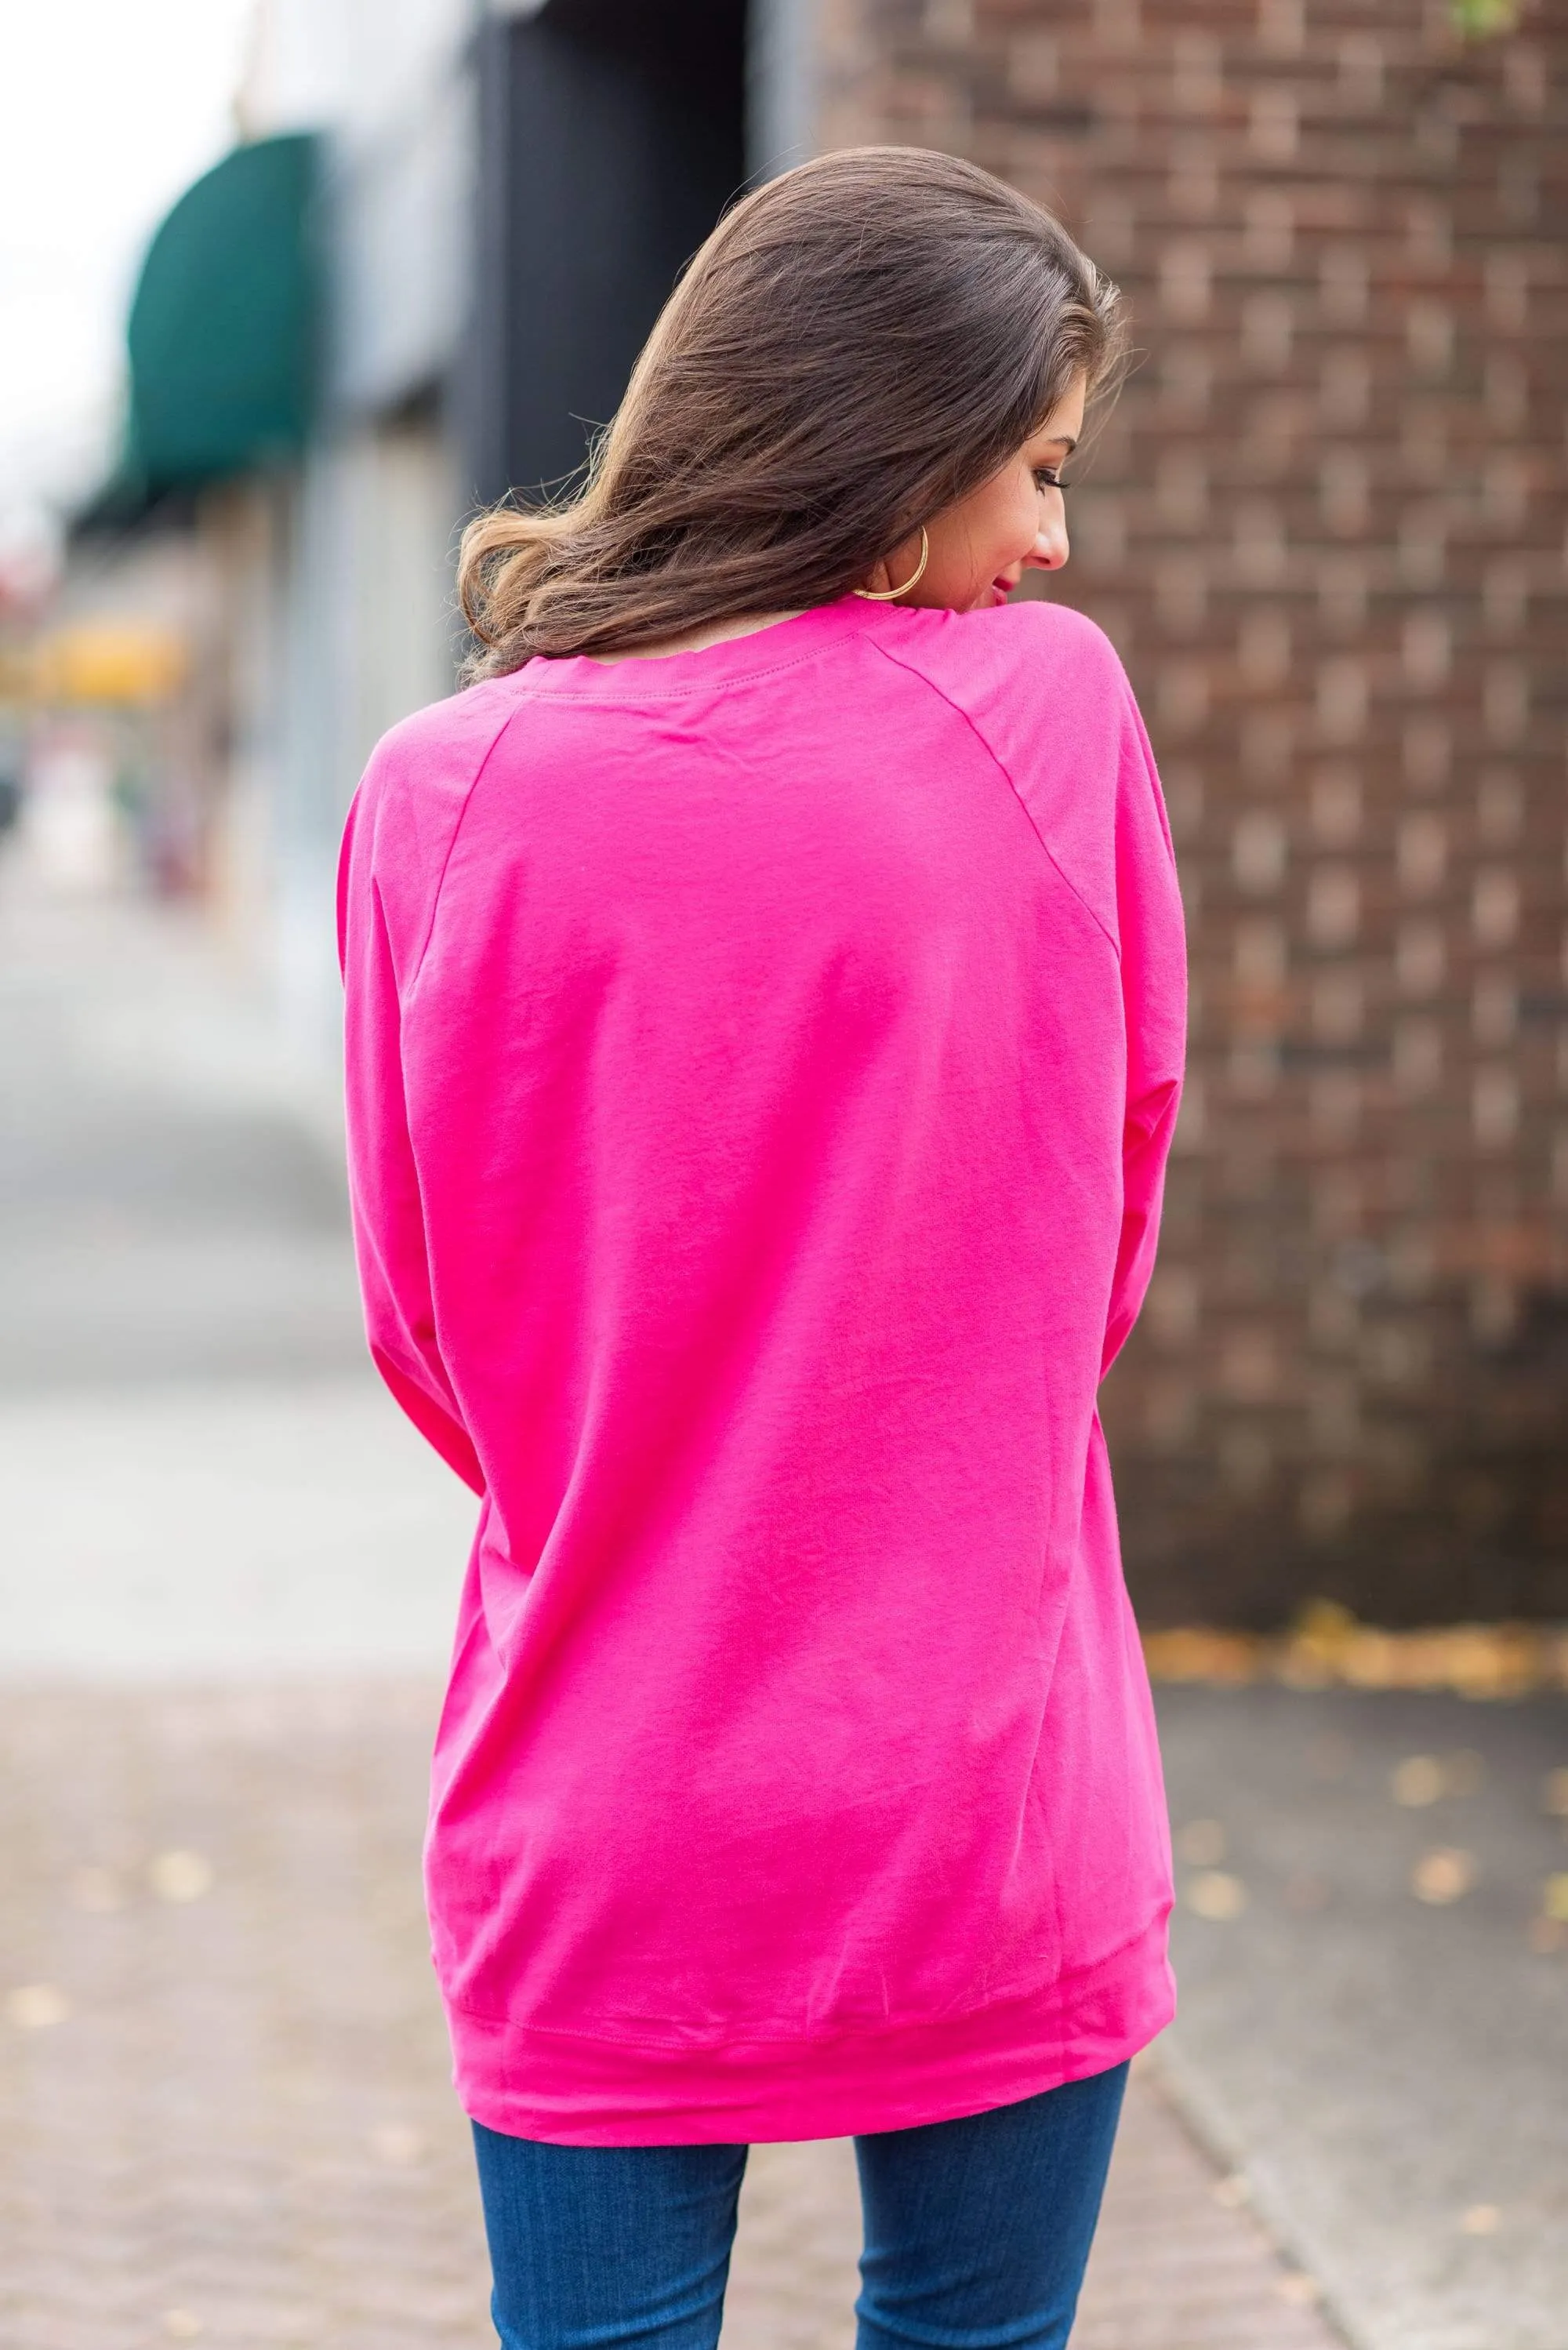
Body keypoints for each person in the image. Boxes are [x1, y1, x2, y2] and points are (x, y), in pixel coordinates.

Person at [339, 146, 1185, 2350]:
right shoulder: (1054, 716)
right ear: (898, 452)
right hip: (985, 1779)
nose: (1057, 540)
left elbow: (429, 1327)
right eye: (1037, 466)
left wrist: (660, 1467)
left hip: (603, 1791)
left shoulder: (437, 796)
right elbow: (1105, 1223)